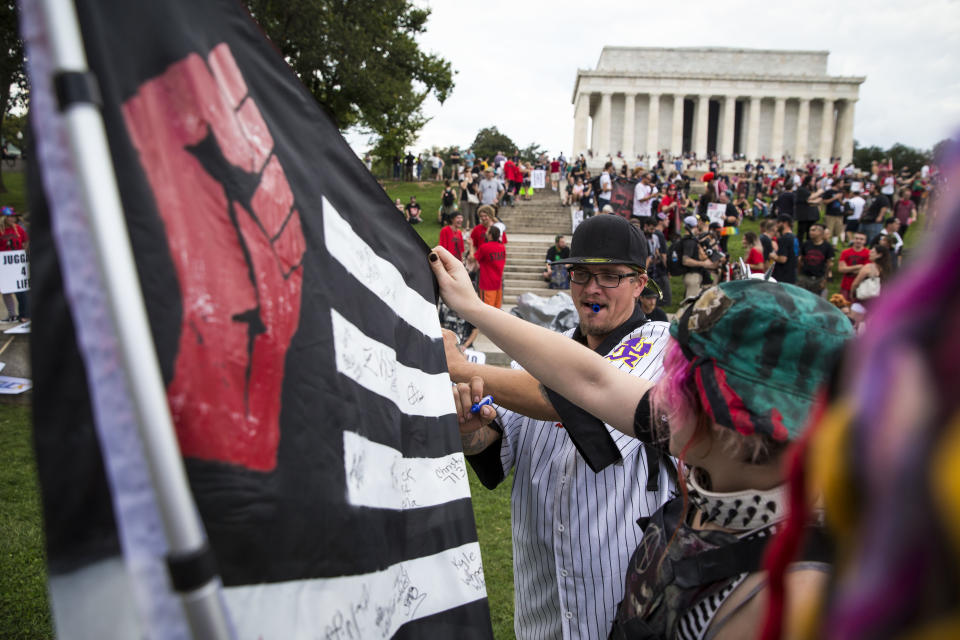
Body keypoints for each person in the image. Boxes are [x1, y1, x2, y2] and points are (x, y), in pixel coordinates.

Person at [429, 247, 853, 640]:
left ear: (747, 428)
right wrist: (470, 308)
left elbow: (585, 388)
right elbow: (591, 381)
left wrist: (457, 360)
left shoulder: (794, 592)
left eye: (688, 383)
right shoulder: (718, 465)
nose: (666, 397)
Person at [440, 214, 675, 639]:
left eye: (610, 276)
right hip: (541, 605)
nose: (591, 288)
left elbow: (576, 396)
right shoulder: (539, 355)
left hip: (624, 600)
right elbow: (495, 453)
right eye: (581, 274)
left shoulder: (663, 345)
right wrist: (469, 430)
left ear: (641, 283)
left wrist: (458, 364)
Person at [680, 215, 714, 300]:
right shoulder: (689, 242)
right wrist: (703, 263)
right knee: (690, 305)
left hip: (695, 275)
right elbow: (685, 261)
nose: (697, 228)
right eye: (696, 226)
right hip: (692, 276)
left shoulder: (692, 240)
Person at [798, 222, 834, 296]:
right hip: (805, 277)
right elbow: (800, 259)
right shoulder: (806, 244)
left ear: (820, 232)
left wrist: (824, 279)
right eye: (810, 230)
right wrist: (799, 274)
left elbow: (829, 264)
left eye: (813, 230)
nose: (810, 232)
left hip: (819, 278)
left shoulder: (827, 247)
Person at [474, 226, 506, 308]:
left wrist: (471, 244)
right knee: (496, 310)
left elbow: (472, 258)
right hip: (498, 284)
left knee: (486, 311)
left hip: (487, 284)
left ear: (490, 235)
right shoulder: (502, 247)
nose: (485, 233)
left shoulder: (485, 247)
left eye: (487, 232)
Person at [838, 231, 870, 302]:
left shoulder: (868, 253)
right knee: (843, 307)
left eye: (861, 239)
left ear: (865, 241)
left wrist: (847, 268)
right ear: (853, 239)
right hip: (845, 285)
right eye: (856, 238)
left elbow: (866, 271)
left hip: (861, 286)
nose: (858, 241)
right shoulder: (845, 252)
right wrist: (858, 266)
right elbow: (840, 269)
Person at [770, 215, 798, 285]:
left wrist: (772, 255)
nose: (776, 225)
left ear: (785, 223)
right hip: (792, 275)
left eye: (778, 223)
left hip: (783, 276)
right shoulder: (794, 237)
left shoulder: (784, 239)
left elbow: (782, 259)